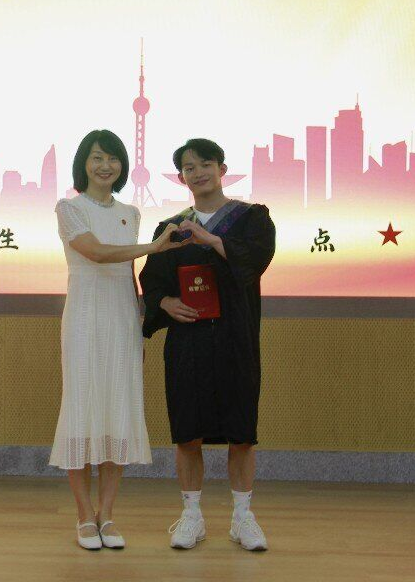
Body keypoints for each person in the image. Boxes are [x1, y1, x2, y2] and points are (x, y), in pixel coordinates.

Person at [139, 138, 276, 552]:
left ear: (222, 169)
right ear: (182, 177)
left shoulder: (251, 218)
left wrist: (210, 239)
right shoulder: (171, 228)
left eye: (205, 164)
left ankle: (242, 518)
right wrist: (164, 302)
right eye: (189, 168)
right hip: (189, 342)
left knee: (242, 433)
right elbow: (153, 281)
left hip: (236, 338)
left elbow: (256, 260)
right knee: (188, 433)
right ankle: (191, 517)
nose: (197, 173)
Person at [50, 129, 180, 551]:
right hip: (85, 318)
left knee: (117, 410)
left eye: (112, 158)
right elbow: (98, 253)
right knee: (82, 409)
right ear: (83, 164)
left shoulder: (130, 212)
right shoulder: (69, 208)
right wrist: (154, 247)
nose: (105, 166)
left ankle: (107, 515)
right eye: (97, 157)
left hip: (122, 317)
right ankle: (83, 517)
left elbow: (127, 275)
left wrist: (138, 326)